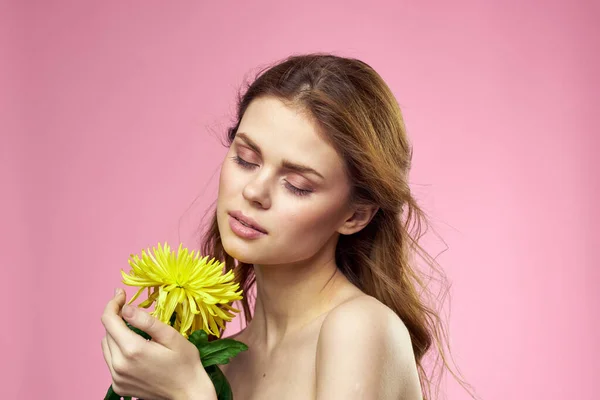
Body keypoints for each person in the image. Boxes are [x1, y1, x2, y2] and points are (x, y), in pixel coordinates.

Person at [101, 53, 473, 399]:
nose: (254, 191)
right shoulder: (222, 362)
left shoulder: (360, 329)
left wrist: (189, 393)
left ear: (355, 215)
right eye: (246, 159)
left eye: (297, 184)